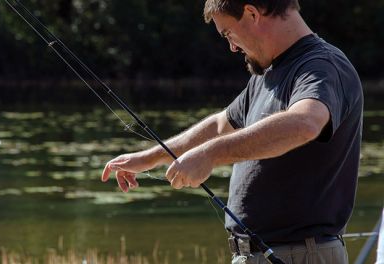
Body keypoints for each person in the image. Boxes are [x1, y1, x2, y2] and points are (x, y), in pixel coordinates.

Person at [101, 0, 363, 263]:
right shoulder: (267, 75)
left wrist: (211, 154)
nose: (232, 47)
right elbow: (219, 125)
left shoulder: (322, 66)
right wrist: (150, 158)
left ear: (251, 13)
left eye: (228, 34)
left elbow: (305, 122)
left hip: (300, 255)